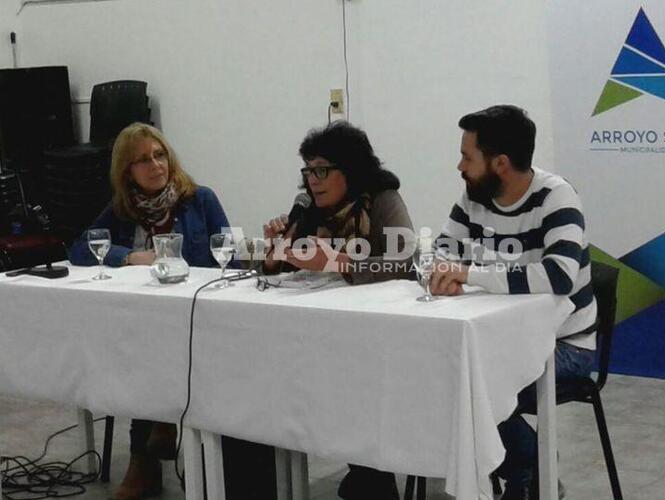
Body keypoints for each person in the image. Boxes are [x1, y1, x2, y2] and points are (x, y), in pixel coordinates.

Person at [68, 123, 246, 500]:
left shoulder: (200, 199)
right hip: (147, 320)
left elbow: (230, 255)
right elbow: (81, 248)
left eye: (159, 155)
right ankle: (152, 442)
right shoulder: (122, 209)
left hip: (202, 318)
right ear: (126, 172)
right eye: (142, 160)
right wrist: (130, 256)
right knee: (140, 347)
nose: (155, 165)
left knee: (153, 351)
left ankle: (150, 447)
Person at [429, 105, 597, 500]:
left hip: (566, 345)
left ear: (500, 163)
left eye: (467, 157)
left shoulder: (556, 197)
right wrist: (441, 272)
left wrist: (470, 274)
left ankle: (528, 470)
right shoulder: (474, 197)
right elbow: (437, 252)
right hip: (500, 338)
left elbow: (559, 276)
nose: (459, 166)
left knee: (471, 386)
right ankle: (531, 468)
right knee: (442, 374)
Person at [262, 120, 414, 500]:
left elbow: (404, 261)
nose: (313, 180)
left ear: (351, 169)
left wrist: (337, 262)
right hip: (326, 327)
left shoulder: (382, 199)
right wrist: (271, 253)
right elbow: (278, 267)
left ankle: (371, 471)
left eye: (322, 170)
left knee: (350, 375)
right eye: (308, 171)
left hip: (383, 329)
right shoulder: (307, 209)